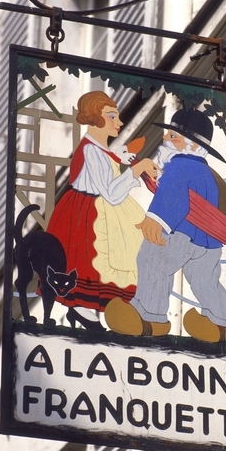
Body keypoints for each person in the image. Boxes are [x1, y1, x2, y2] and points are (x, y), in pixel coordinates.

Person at [104, 108, 226, 342]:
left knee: (152, 260)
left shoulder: (179, 166)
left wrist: (156, 219)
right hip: (209, 243)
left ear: (192, 144)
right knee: (204, 281)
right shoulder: (204, 171)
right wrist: (134, 162)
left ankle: (149, 318)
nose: (165, 139)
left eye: (173, 136)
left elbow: (173, 196)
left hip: (182, 235)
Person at [45, 90, 156, 328]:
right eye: (112, 116)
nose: (119, 122)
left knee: (116, 261)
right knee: (92, 264)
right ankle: (84, 311)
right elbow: (112, 194)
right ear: (95, 116)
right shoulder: (91, 150)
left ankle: (101, 313)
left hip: (97, 209)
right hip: (89, 214)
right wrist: (137, 169)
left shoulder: (100, 150)